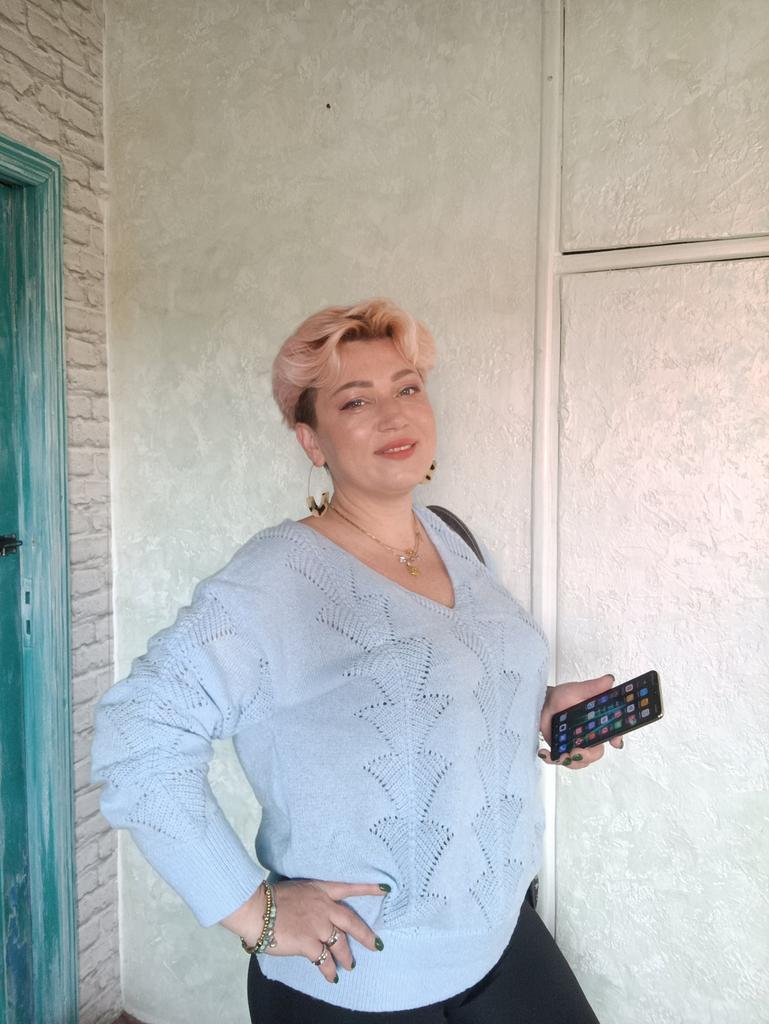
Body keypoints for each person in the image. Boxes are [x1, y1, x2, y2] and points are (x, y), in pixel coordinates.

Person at [92, 297, 619, 1023]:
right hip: (357, 970)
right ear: (313, 442)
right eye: (355, 401)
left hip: (498, 933)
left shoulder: (451, 539)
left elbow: (442, 688)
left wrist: (539, 707)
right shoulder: (274, 581)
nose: (394, 415)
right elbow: (138, 737)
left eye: (407, 388)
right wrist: (251, 910)